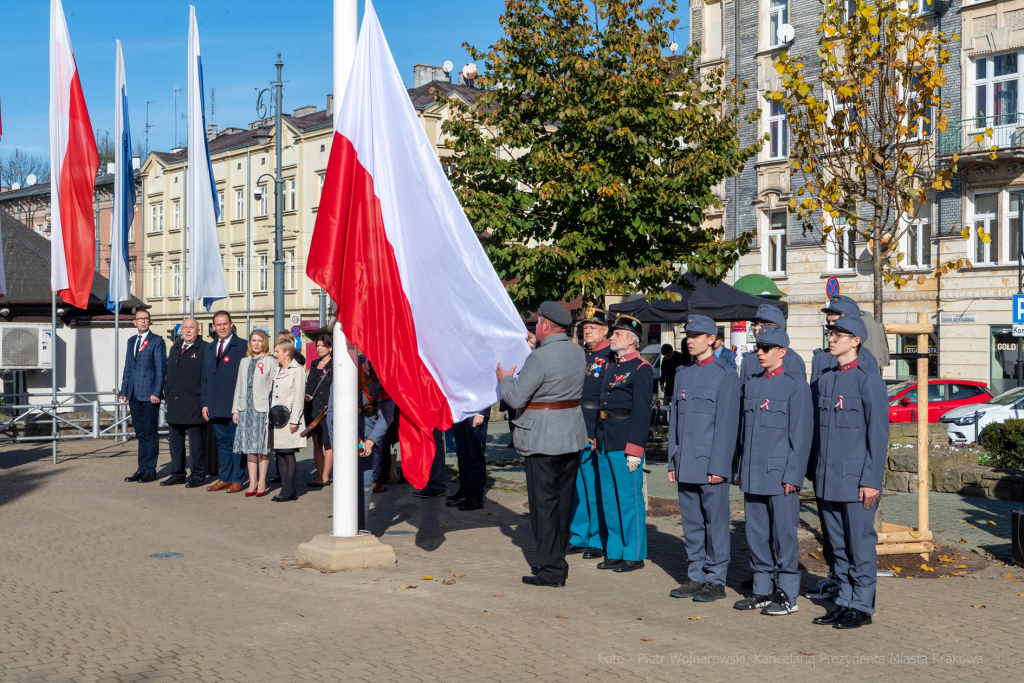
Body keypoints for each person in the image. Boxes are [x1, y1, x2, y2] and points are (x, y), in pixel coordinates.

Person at [497, 301, 587, 588]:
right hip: (570, 434)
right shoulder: (576, 352)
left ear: (546, 326)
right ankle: (556, 563)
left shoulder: (539, 358)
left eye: (537, 322)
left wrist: (506, 379)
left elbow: (515, 398)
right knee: (562, 504)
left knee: (543, 507)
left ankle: (551, 571)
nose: (535, 326)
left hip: (542, 437)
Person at [810, 312, 888, 630]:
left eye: (838, 335)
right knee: (838, 545)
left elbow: (878, 435)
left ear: (855, 341)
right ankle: (843, 600)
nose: (831, 338)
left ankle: (861, 605)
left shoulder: (868, 380)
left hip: (856, 481)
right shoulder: (827, 379)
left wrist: (871, 480)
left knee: (860, 544)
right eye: (830, 334)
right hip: (828, 477)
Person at [733, 327, 812, 616]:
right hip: (753, 474)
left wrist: (794, 474)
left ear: (783, 352)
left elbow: (801, 436)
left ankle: (788, 594)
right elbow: (745, 434)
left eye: (767, 348)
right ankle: (762, 590)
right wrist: (740, 469)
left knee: (784, 537)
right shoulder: (752, 384)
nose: (760, 353)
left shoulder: (795, 386)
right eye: (759, 347)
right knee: (756, 535)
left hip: (780, 476)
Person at [666, 315, 739, 603]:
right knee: (692, 523)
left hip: (711, 465)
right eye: (688, 335)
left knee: (716, 524)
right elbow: (675, 423)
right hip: (686, 462)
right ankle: (696, 576)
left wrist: (721, 466)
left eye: (696, 335)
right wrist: (673, 461)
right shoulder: (683, 374)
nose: (689, 340)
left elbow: (727, 425)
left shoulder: (725, 375)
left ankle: (716, 579)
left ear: (712, 339)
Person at [594, 315, 654, 573]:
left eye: (617, 334)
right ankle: (615, 550)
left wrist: (635, 449)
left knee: (629, 499)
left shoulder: (641, 368)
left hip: (625, 442)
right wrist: (598, 438)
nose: (612, 338)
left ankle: (634, 553)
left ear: (632, 340)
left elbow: (642, 412)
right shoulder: (611, 367)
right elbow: (603, 406)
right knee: (609, 499)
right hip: (606, 440)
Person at [568, 305, 611, 559]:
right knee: (579, 487)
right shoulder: (582, 355)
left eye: (593, 328)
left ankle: (597, 538)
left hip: (594, 429)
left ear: (606, 331)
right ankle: (579, 535)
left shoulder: (609, 357)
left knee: (595, 488)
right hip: (576, 426)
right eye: (585, 328)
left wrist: (598, 432)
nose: (588, 332)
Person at [202, 312, 247, 493]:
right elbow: (205, 377)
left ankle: (237, 479)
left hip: (235, 405)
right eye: (218, 324)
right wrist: (205, 403)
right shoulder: (210, 348)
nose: (221, 327)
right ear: (213, 326)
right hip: (215, 404)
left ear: (231, 324)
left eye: (225, 324)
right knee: (222, 443)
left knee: (237, 443)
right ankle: (224, 478)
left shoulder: (242, 345)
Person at [120, 310, 167, 484]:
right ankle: (141, 468)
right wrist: (123, 390)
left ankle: (151, 470)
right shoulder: (131, 341)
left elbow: (161, 369)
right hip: (133, 393)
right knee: (140, 433)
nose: (143, 322)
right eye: (140, 319)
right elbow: (128, 367)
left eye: (145, 319)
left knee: (150, 433)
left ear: (150, 321)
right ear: (134, 322)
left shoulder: (157, 341)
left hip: (149, 395)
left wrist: (157, 391)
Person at [231, 329, 278, 497]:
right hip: (245, 408)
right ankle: (252, 482)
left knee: (262, 448)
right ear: (250, 342)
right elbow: (238, 385)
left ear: (264, 342)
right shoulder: (244, 361)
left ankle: (262, 481)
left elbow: (274, 389)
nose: (256, 343)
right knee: (249, 448)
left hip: (262, 409)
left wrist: (271, 414)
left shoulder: (270, 361)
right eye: (253, 340)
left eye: (259, 340)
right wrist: (235, 409)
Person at [162, 318, 208, 487]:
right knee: (175, 443)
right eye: (185, 328)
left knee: (196, 445)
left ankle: (198, 475)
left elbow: (207, 378)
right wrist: (167, 396)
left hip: (194, 404)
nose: (188, 331)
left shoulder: (204, 349)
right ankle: (177, 473)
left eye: (191, 328)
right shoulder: (175, 348)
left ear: (198, 330)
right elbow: (170, 375)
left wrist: (205, 402)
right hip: (175, 404)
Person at [269, 339, 307, 502]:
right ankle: (286, 489)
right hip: (276, 419)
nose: (274, 354)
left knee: (288, 452)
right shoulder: (278, 369)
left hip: (289, 418)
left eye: (277, 351)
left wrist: (295, 420)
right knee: (280, 453)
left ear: (287, 352)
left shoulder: (297, 370)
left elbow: (298, 396)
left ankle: (288, 489)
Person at [740, 304, 807, 383]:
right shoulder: (748, 360)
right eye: (755, 324)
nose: (756, 328)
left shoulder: (792, 359)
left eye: (763, 325)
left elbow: (798, 389)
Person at [304, 337, 334, 488]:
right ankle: (319, 475)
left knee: (327, 443)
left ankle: (325, 476)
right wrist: (305, 397)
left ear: (331, 348)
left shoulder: (334, 365)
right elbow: (310, 384)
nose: (320, 348)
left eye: (323, 345)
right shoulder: (314, 363)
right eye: (318, 345)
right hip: (314, 407)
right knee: (316, 443)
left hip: (328, 408)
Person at [446, 408, 490, 511]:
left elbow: (487, 391)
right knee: (463, 456)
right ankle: (465, 493)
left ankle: (476, 497)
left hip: (475, 412)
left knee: (475, 455)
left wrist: (481, 413)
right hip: (459, 414)